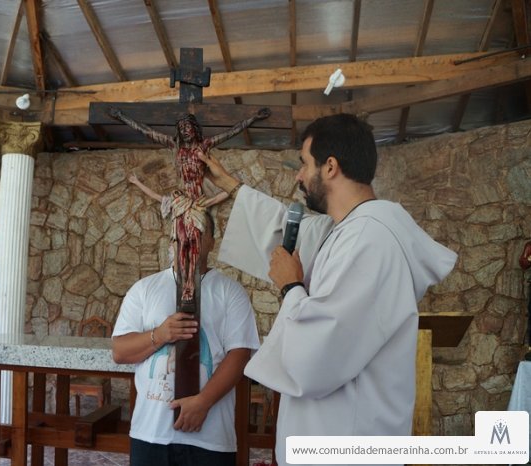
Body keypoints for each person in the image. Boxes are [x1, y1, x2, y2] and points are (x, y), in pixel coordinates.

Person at [199, 113, 457, 466]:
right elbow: (288, 228)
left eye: (304, 164)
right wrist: (233, 187)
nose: (299, 176)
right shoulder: (349, 229)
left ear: (330, 167)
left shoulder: (369, 239)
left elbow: (321, 348)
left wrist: (291, 286)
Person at [112, 212, 260, 466]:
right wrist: (159, 335)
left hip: (210, 436)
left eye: (198, 232)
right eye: (180, 232)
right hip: (151, 433)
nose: (188, 239)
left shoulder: (231, 292)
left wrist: (203, 402)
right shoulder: (144, 289)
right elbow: (120, 351)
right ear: (171, 241)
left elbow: (239, 355)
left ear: (212, 241)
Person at [110, 107, 270, 304]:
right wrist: (122, 117)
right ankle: (182, 281)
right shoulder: (175, 145)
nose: (185, 130)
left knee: (194, 242)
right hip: (181, 202)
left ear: (195, 128)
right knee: (181, 240)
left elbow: (230, 132)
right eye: (181, 127)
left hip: (198, 203)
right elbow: (146, 131)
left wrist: (253, 118)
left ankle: (190, 285)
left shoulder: (204, 146)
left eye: (188, 126)